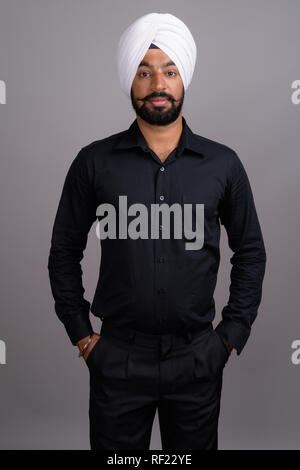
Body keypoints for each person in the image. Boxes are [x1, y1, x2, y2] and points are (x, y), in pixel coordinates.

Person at [47, 12, 267, 450]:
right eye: (144, 72)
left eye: (169, 71)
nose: (157, 84)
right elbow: (63, 251)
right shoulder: (94, 162)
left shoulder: (223, 165)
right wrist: (83, 336)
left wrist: (229, 337)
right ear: (130, 80)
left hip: (197, 358)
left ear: (184, 78)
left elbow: (251, 252)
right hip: (118, 358)